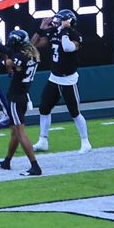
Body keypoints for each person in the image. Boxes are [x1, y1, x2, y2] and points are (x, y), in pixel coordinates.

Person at [0, 28, 44, 177]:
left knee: (19, 131)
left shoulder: (20, 57)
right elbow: (7, 50)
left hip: (16, 97)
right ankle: (7, 161)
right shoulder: (31, 52)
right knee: (14, 132)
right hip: (22, 95)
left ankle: (35, 166)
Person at [33, 9, 93, 153]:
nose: (57, 21)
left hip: (68, 80)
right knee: (44, 108)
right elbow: (33, 45)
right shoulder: (54, 32)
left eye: (60, 19)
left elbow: (67, 48)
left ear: (68, 22)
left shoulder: (75, 35)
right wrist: (40, 30)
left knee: (74, 112)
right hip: (54, 78)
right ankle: (43, 140)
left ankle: (86, 142)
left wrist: (64, 30)